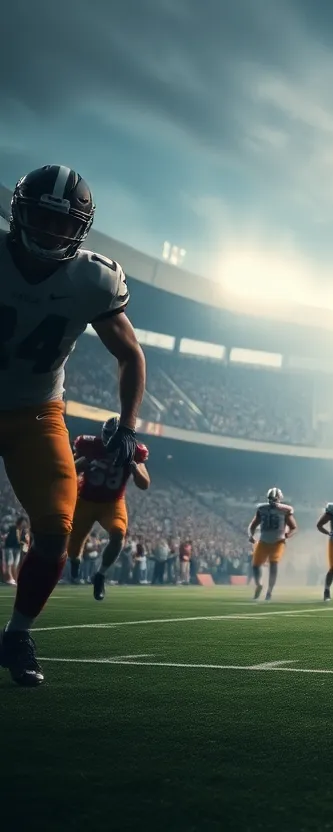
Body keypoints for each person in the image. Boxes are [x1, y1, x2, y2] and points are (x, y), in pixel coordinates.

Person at [0, 166, 146, 687]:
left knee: (56, 529)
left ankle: (17, 634)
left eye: (65, 225)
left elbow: (129, 355)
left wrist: (127, 425)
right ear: (20, 212)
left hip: (38, 411)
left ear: (80, 230)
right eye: (42, 217)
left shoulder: (92, 279)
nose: (51, 232)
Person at [68, 417, 150, 600]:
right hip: (85, 500)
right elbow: (68, 472)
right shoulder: (88, 445)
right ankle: (75, 561)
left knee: (119, 534)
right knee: (74, 547)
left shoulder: (135, 451)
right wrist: (80, 464)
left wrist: (134, 468)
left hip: (112, 503)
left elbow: (144, 484)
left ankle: (100, 575)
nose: (113, 442)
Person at [248, 487, 296, 602]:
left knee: (273, 565)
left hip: (278, 542)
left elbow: (293, 527)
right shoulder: (262, 509)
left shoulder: (285, 510)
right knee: (255, 565)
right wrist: (251, 535)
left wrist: (287, 535)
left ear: (280, 498)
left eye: (275, 498)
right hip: (263, 541)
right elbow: (253, 525)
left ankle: (269, 591)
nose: (272, 501)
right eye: (271, 498)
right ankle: (259, 584)